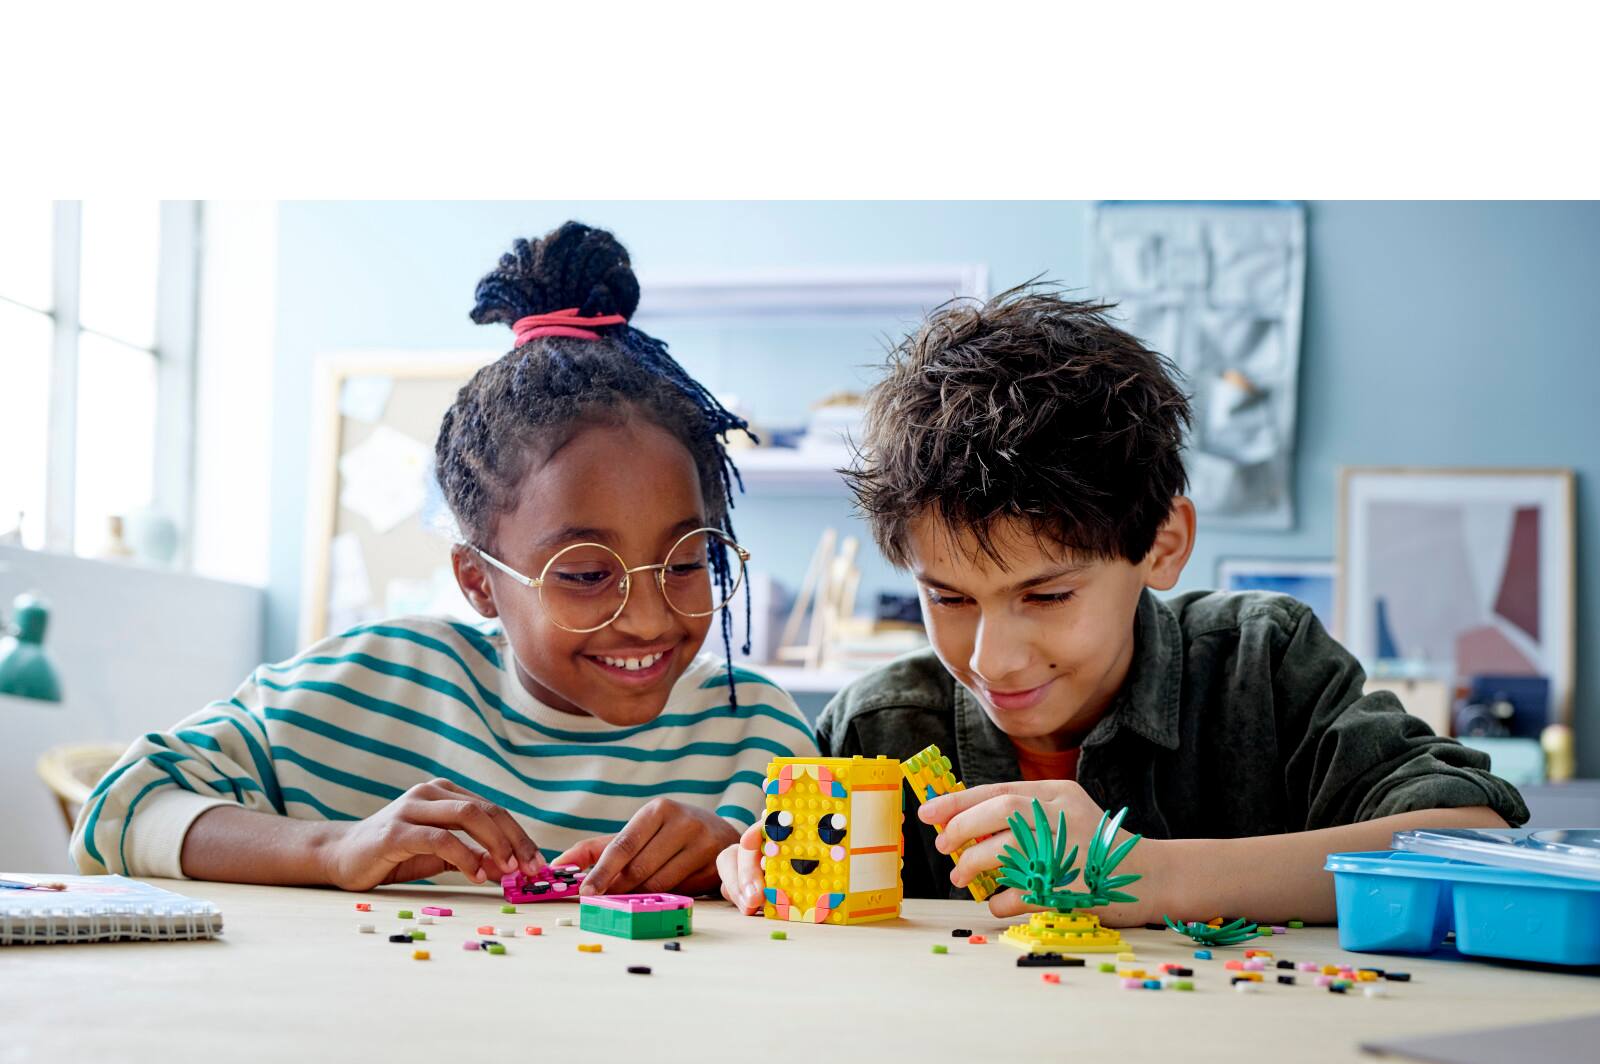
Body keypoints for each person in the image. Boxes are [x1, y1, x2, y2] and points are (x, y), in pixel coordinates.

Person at [718, 286, 1526, 922]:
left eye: (1048, 594)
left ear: (1163, 545)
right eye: (950, 597)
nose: (991, 660)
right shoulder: (878, 730)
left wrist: (1148, 874)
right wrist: (749, 865)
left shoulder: (1263, 666)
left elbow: (1472, 841)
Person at [73, 221, 812, 895]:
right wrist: (332, 848)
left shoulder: (758, 739)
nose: (649, 616)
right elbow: (118, 809)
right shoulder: (369, 687)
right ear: (478, 581)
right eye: (587, 575)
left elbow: (840, 905)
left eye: (686, 563)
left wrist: (747, 863)